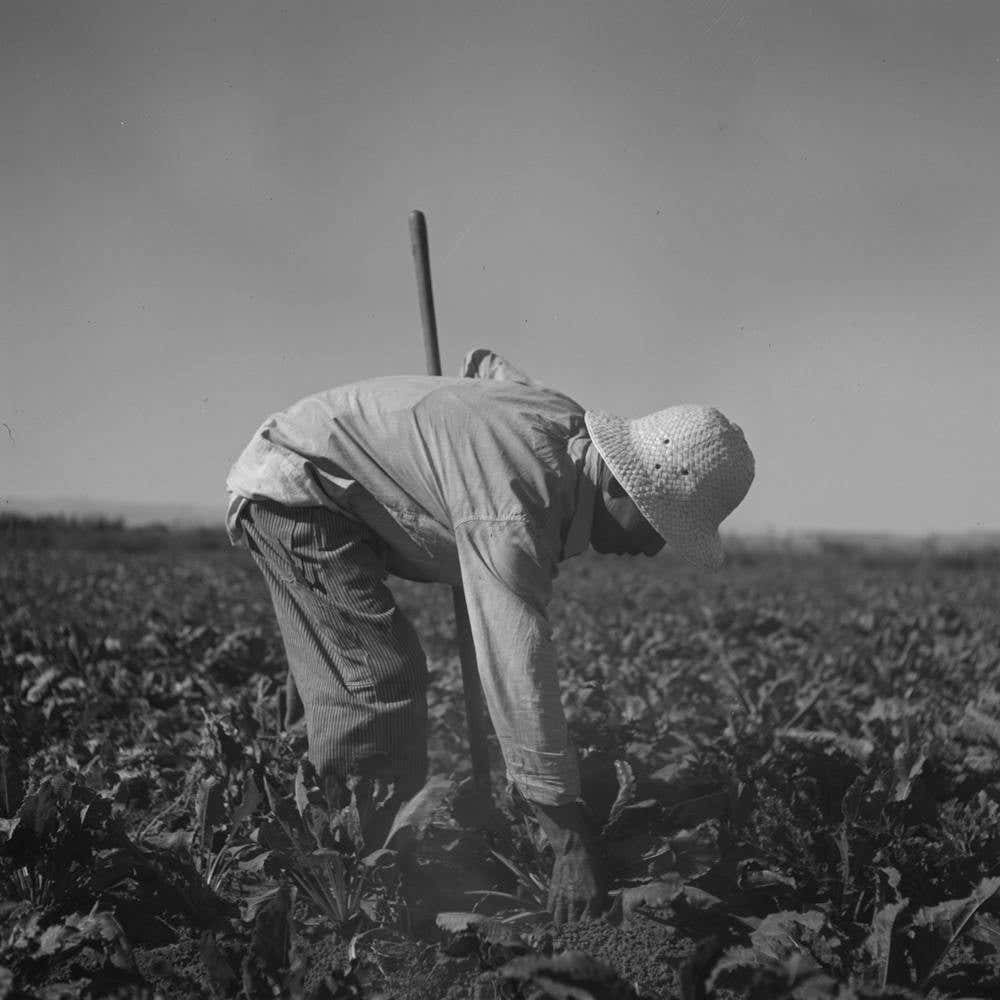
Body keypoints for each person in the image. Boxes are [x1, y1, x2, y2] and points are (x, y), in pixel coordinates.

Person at [224, 349, 755, 926]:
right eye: (660, 526)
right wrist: (569, 840)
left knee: (349, 669)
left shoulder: (565, 426)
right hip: (300, 487)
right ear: (623, 487)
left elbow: (489, 370)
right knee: (377, 680)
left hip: (329, 481)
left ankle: (345, 830)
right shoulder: (516, 510)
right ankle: (358, 880)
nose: (654, 548)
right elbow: (514, 667)